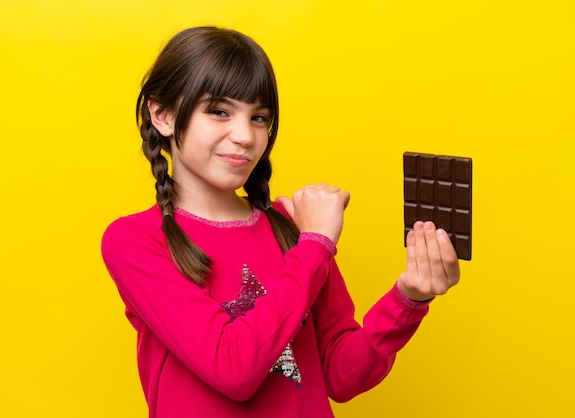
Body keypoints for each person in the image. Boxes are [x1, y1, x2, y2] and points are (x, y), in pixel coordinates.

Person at [101, 26, 460, 418]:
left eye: (259, 118)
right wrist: (315, 245)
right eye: (219, 111)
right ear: (163, 115)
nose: (245, 136)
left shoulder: (292, 227)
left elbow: (341, 377)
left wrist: (409, 297)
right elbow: (232, 369)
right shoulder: (134, 240)